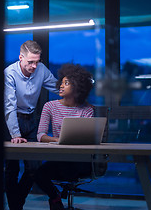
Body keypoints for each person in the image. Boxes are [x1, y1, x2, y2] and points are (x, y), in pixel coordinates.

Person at [4, 40, 58, 210]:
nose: (34, 66)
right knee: (12, 169)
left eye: (37, 61)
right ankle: (16, 207)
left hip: (31, 120)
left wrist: (76, 90)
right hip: (11, 121)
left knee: (34, 168)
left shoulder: (40, 69)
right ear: (21, 58)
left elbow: (57, 87)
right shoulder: (9, 73)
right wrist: (15, 134)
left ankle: (16, 203)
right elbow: (9, 106)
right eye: (30, 62)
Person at [35, 63, 94, 210]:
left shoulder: (87, 110)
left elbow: (87, 137)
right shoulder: (50, 106)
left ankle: (62, 198)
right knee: (37, 174)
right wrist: (57, 140)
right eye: (61, 83)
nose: (60, 86)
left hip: (80, 161)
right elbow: (40, 135)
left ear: (77, 87)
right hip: (60, 159)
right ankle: (55, 197)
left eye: (66, 83)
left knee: (68, 169)